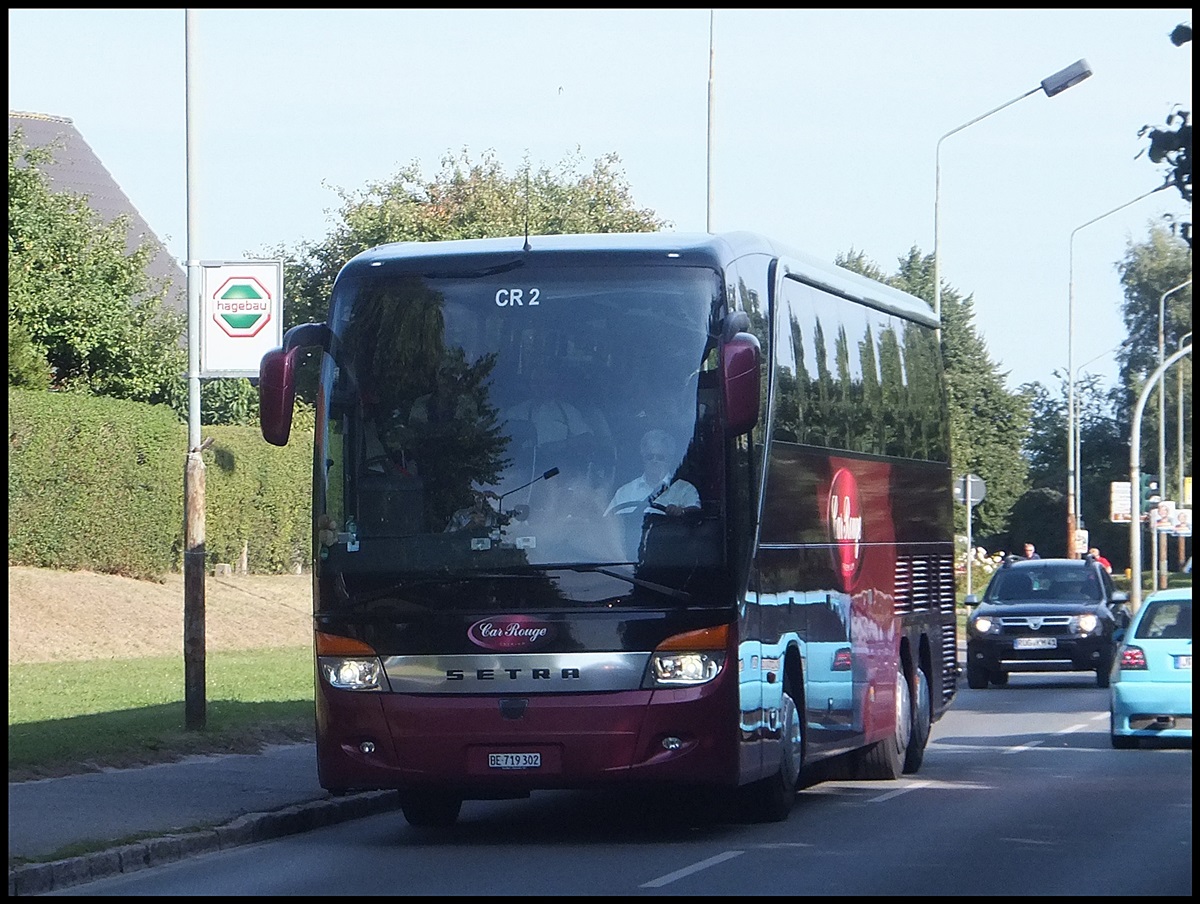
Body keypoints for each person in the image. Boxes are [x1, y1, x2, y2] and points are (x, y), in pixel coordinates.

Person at [605, 429, 700, 518]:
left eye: (660, 458)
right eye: (650, 457)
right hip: (633, 535)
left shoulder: (685, 490)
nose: (655, 461)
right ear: (643, 458)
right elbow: (608, 522)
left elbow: (695, 516)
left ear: (670, 459)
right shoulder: (625, 492)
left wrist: (681, 512)